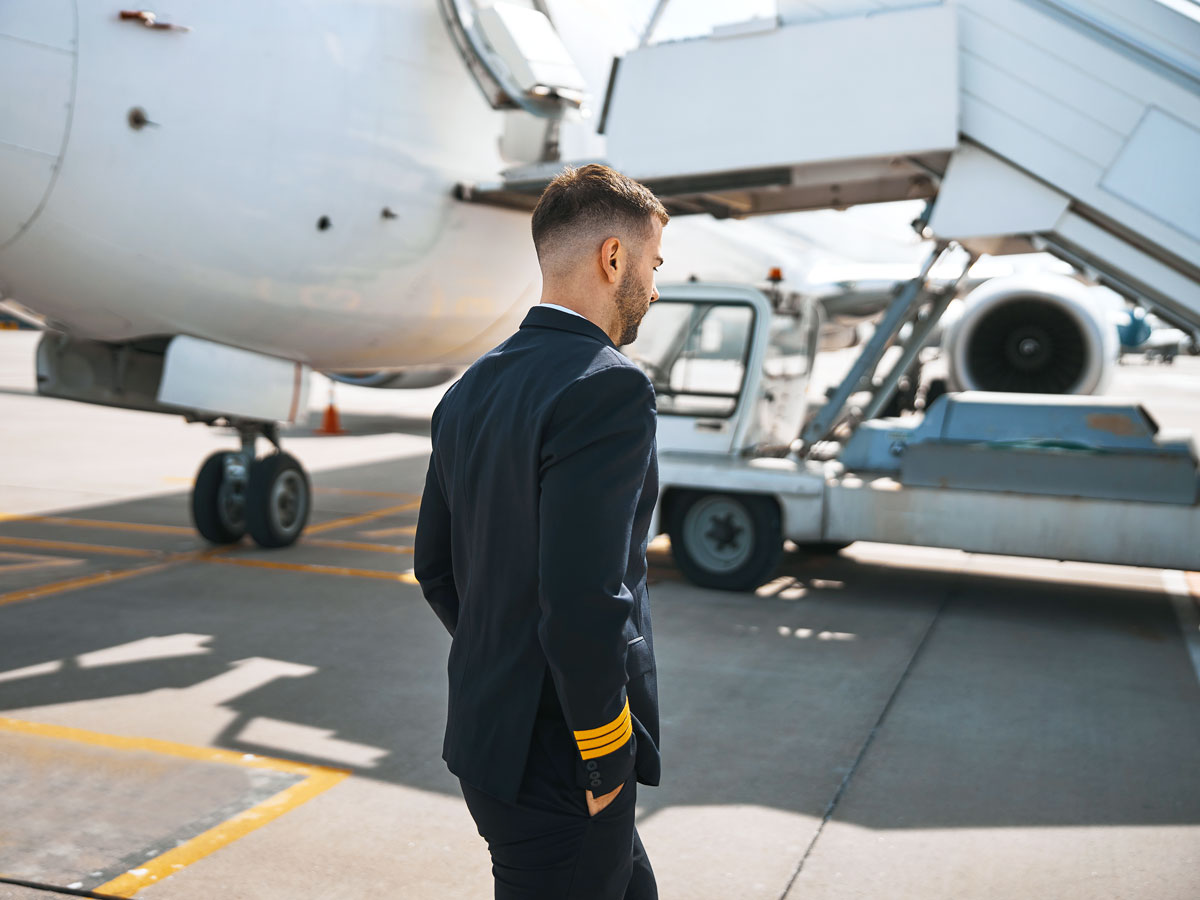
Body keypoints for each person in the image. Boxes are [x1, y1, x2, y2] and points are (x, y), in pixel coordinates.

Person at [414, 163, 668, 899]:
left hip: (493, 745)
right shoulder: (608, 384)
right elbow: (585, 601)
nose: (655, 286)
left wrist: (508, 663)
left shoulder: (473, 387)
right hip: (564, 759)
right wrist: (602, 760)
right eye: (652, 264)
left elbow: (436, 568)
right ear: (613, 258)